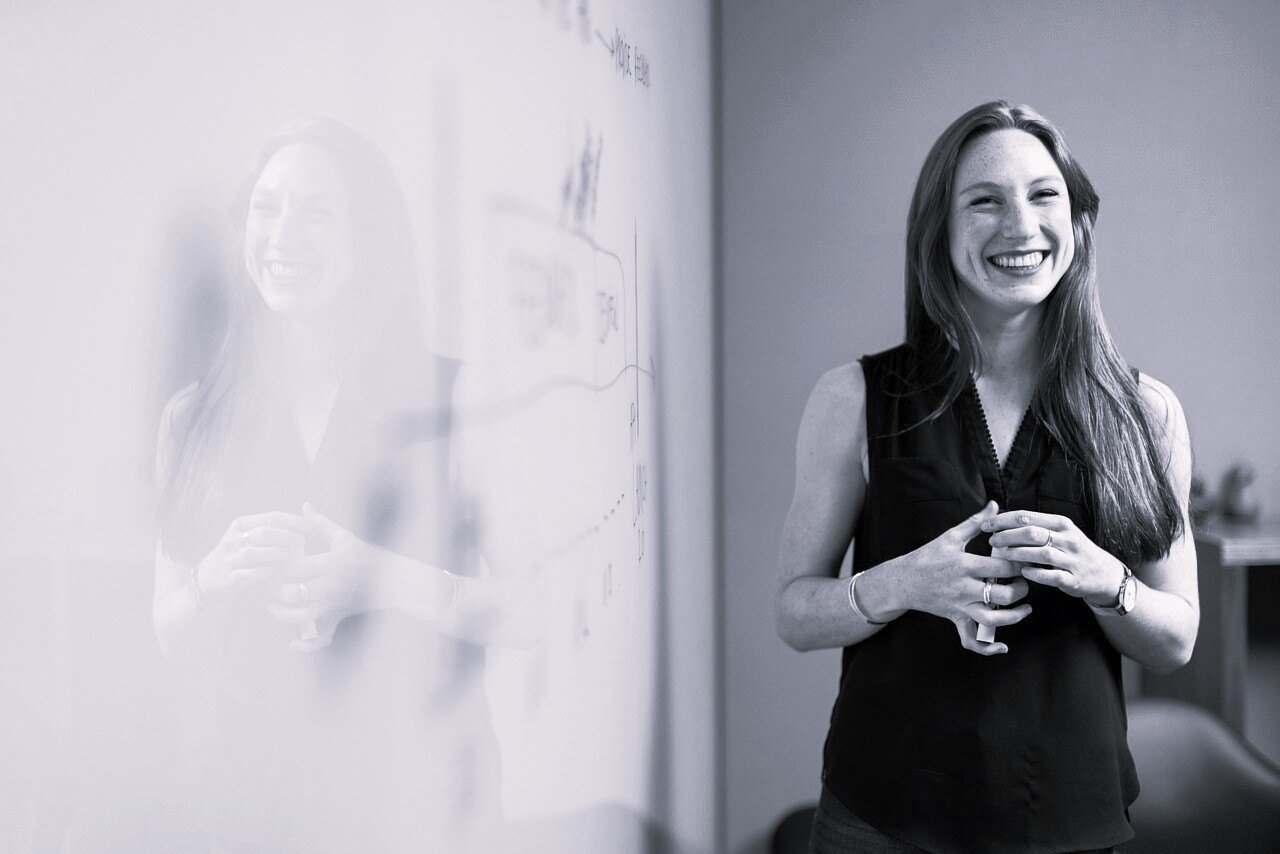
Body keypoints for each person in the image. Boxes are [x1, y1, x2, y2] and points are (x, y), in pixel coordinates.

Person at [777, 101, 1198, 854]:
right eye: (985, 201)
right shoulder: (852, 399)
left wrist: (1108, 582)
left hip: (1072, 825)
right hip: (878, 825)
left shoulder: (1148, 412)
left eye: (1043, 196)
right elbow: (795, 612)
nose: (1020, 226)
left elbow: (1176, 639)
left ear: (1078, 221)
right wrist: (903, 583)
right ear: (938, 231)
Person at [153, 118, 539, 853]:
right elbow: (169, 628)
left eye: (317, 213)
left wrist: (380, 579)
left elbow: (535, 608)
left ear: (371, 241)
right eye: (266, 209)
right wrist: (214, 577)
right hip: (245, 801)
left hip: (420, 800)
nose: (282, 235)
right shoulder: (190, 417)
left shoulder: (454, 400)